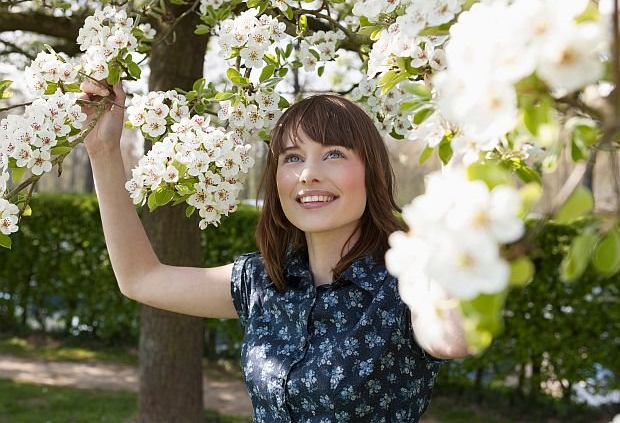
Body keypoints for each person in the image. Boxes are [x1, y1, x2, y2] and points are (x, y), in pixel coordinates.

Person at [80, 80, 470, 422]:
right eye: (293, 157)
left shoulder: (405, 278)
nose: (308, 173)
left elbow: (452, 340)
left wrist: (457, 179)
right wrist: (102, 150)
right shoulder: (264, 281)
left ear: (372, 172)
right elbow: (140, 278)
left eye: (334, 154)